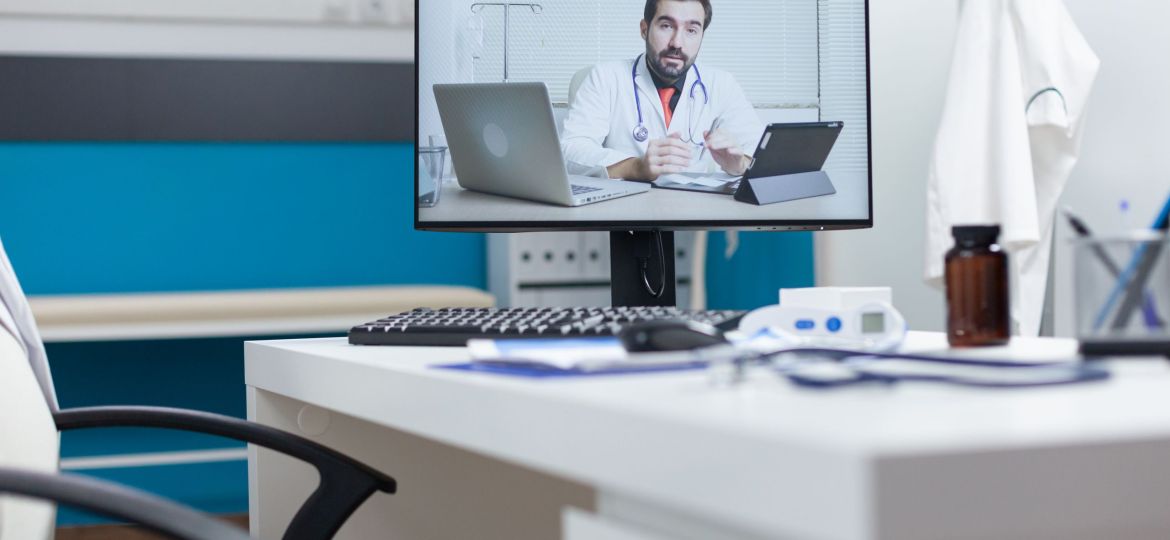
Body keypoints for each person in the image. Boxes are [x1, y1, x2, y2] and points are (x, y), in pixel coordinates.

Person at [562, 0, 763, 182]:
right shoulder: (605, 77)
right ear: (644, 29)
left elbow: (761, 153)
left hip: (697, 213)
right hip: (626, 212)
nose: (677, 43)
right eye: (666, 26)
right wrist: (636, 167)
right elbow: (569, 151)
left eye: (691, 30)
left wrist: (739, 164)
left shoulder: (722, 84)